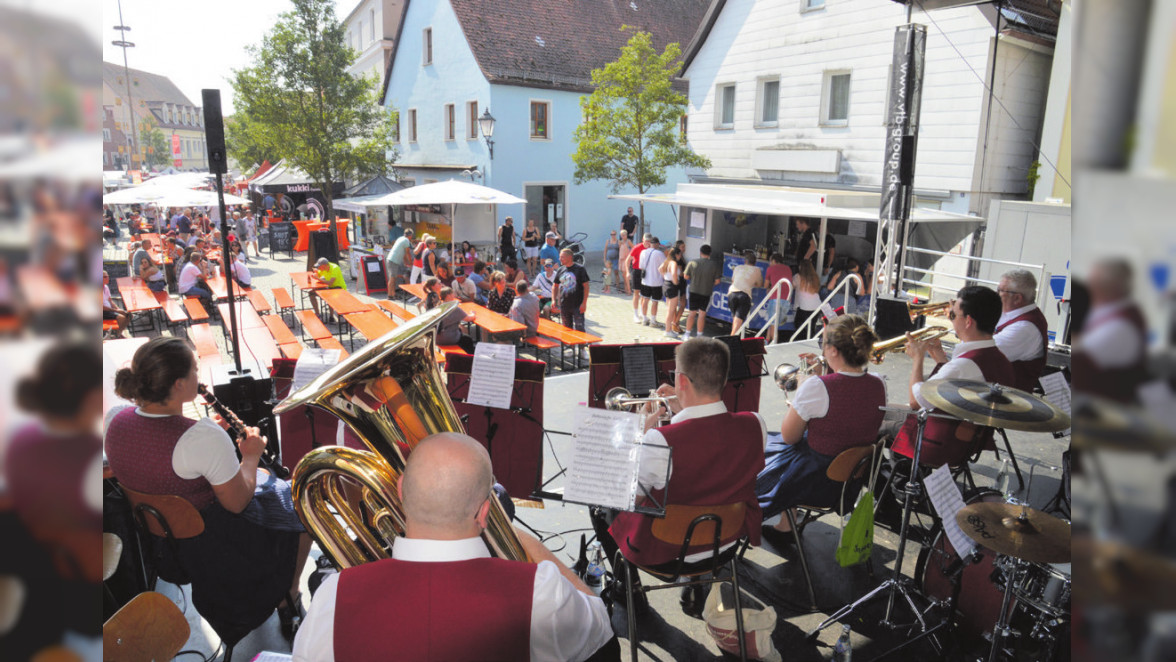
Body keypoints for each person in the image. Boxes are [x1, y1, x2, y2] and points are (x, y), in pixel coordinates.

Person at [292, 432, 615, 662]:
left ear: (401, 490)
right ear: (486, 510)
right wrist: (519, 537)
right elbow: (600, 624)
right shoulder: (541, 590)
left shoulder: (334, 595)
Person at [106, 337, 311, 639]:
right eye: (194, 371)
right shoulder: (202, 437)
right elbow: (237, 503)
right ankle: (289, 594)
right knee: (300, 501)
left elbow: (156, 452)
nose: (198, 378)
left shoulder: (115, 419)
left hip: (159, 542)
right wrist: (250, 456)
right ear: (178, 384)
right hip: (214, 543)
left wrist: (213, 442)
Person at [591, 338, 766, 616]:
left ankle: (630, 587)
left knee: (600, 505)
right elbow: (715, 450)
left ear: (681, 380)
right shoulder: (756, 423)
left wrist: (636, 437)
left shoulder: (659, 439)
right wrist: (685, 411)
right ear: (723, 378)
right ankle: (697, 586)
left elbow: (629, 494)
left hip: (669, 552)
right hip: (727, 541)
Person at [5, 343, 104, 646]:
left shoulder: (19, 436)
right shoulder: (87, 457)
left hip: (39, 571)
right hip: (78, 592)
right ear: (91, 398)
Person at [756, 315, 885, 544]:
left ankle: (768, 518)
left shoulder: (816, 387)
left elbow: (789, 436)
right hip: (849, 481)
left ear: (833, 350)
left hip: (816, 481)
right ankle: (787, 523)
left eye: (823, 343)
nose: (822, 350)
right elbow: (847, 408)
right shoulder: (878, 383)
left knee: (765, 445)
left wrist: (803, 394)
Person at [892, 285, 1015, 468]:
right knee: (886, 410)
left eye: (952, 315)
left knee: (875, 420)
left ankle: (890, 488)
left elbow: (916, 401)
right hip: (965, 442)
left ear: (968, 321)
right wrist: (940, 357)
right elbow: (955, 384)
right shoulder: (998, 358)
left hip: (936, 441)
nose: (949, 320)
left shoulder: (964, 365)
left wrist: (918, 359)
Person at [1072, 257, 1148, 403]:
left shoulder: (1122, 325)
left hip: (1106, 411)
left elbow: (1080, 356)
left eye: (1092, 281)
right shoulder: (1107, 312)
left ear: (1107, 286)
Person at [993, 269, 1048, 392]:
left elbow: (985, 353)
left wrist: (964, 322)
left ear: (1017, 298)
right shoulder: (1009, 313)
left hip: (1007, 402)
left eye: (1000, 291)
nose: (996, 294)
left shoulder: (1025, 327)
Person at [553, 248, 591, 353]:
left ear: (570, 257)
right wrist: (553, 300)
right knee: (567, 328)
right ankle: (570, 347)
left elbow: (586, 286)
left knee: (580, 327)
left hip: (577, 305)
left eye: (562, 257)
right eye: (560, 256)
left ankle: (582, 349)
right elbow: (555, 285)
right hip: (564, 305)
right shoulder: (561, 270)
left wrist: (584, 303)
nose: (560, 259)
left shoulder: (580, 269)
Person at [682, 245, 720, 339]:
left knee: (692, 313)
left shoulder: (692, 262)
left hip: (694, 290)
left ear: (700, 252)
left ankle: (687, 334)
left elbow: (686, 277)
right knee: (702, 314)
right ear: (710, 254)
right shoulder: (714, 265)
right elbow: (717, 281)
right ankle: (699, 335)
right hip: (706, 292)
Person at [425, 290, 476, 354]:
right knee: (468, 340)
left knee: (462, 334)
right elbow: (469, 319)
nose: (454, 295)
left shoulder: (438, 307)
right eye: (452, 294)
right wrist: (473, 314)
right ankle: (469, 359)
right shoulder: (454, 308)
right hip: (448, 338)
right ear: (448, 295)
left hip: (436, 339)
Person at [727, 250, 762, 336]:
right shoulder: (757, 270)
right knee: (738, 321)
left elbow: (733, 280)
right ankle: (732, 340)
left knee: (735, 319)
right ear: (755, 262)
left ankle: (734, 338)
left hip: (732, 293)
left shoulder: (738, 267)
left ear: (745, 261)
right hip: (744, 295)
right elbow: (759, 284)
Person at [763, 253, 794, 343]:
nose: (769, 263)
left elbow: (765, 285)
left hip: (775, 298)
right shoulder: (788, 268)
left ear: (773, 261)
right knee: (773, 322)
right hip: (787, 300)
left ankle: (774, 343)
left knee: (773, 323)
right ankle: (767, 340)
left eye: (770, 261)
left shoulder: (770, 269)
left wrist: (769, 288)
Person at [638, 237, 666, 327]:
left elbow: (641, 266)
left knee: (645, 299)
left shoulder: (643, 252)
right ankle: (653, 321)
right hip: (656, 281)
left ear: (650, 244)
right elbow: (664, 266)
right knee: (655, 301)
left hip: (645, 280)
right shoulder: (660, 254)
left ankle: (644, 318)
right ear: (657, 244)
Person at [792, 261, 822, 340]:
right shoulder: (815, 277)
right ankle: (810, 342)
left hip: (803, 306)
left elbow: (792, 286)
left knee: (799, 326)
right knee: (811, 327)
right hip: (816, 305)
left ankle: (800, 343)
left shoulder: (798, 277)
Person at [660, 246, 686, 337]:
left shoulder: (666, 261)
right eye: (679, 254)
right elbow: (674, 274)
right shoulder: (673, 263)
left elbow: (660, 269)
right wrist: (676, 282)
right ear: (676, 255)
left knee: (669, 309)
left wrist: (665, 277)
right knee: (671, 310)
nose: (680, 256)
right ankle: (668, 330)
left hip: (666, 284)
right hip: (672, 286)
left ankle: (669, 329)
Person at [385, 228, 414, 298]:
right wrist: (410, 263)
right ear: (410, 235)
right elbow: (408, 253)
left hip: (391, 259)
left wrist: (405, 262)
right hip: (393, 261)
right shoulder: (406, 241)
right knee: (392, 279)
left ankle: (393, 294)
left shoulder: (400, 238)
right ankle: (390, 295)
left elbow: (403, 253)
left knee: (394, 278)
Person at [627, 234, 649, 323]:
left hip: (646, 271)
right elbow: (628, 260)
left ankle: (642, 313)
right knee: (636, 293)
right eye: (646, 241)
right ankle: (635, 315)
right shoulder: (637, 247)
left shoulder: (650, 249)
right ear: (643, 239)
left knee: (644, 294)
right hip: (636, 271)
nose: (647, 243)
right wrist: (628, 272)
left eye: (648, 241)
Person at [102, 270, 129, 335]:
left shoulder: (106, 287)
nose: (108, 278)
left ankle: (118, 333)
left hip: (109, 310)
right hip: (103, 312)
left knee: (129, 315)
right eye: (105, 277)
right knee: (122, 318)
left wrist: (118, 309)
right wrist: (116, 310)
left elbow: (110, 301)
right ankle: (118, 334)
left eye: (108, 276)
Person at [617, 230, 634, 295]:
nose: (622, 236)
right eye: (621, 235)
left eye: (623, 235)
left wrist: (630, 255)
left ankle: (629, 290)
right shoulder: (620, 242)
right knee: (623, 275)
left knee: (625, 274)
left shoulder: (628, 241)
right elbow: (620, 249)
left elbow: (633, 248)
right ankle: (625, 289)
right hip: (621, 259)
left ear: (626, 235)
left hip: (626, 259)